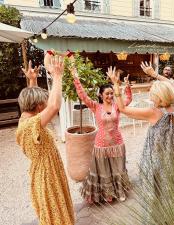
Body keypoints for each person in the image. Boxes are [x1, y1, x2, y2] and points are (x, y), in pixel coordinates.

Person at [107, 63, 174, 196]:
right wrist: (155, 75)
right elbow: (172, 85)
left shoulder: (153, 112)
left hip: (155, 160)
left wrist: (115, 84)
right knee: (170, 191)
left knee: (155, 193)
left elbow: (122, 109)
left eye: (152, 93)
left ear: (158, 96)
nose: (150, 96)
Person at [16, 55, 75, 225]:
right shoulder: (32, 124)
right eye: (43, 102)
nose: (45, 103)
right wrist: (57, 75)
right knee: (55, 214)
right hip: (48, 176)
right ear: (40, 107)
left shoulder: (25, 120)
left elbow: (31, 100)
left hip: (44, 172)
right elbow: (55, 106)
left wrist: (32, 81)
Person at [70, 61, 132, 204]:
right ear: (101, 95)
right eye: (107, 93)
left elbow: (128, 99)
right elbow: (83, 95)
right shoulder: (95, 106)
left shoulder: (117, 106)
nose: (110, 96)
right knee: (104, 171)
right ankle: (108, 194)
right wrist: (76, 78)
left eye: (112, 93)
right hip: (101, 145)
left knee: (118, 168)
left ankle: (120, 191)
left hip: (117, 143)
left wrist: (127, 86)